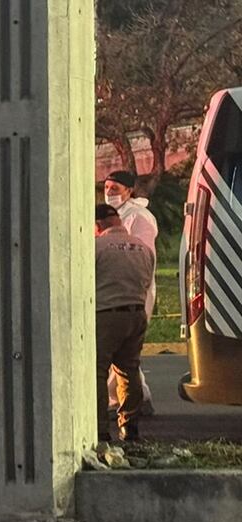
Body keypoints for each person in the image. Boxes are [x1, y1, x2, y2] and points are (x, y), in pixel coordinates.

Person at [94, 203, 155, 442]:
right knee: (129, 370)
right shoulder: (142, 248)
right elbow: (148, 281)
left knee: (98, 370)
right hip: (137, 313)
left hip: (107, 314)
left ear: (98, 225)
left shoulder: (97, 246)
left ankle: (100, 429)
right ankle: (130, 427)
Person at [103, 170, 158, 415]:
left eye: (115, 188)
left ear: (129, 190)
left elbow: (144, 256)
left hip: (135, 288)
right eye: (106, 187)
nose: (109, 192)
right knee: (125, 353)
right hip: (119, 288)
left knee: (122, 350)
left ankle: (131, 402)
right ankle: (132, 400)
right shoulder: (119, 215)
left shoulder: (138, 216)